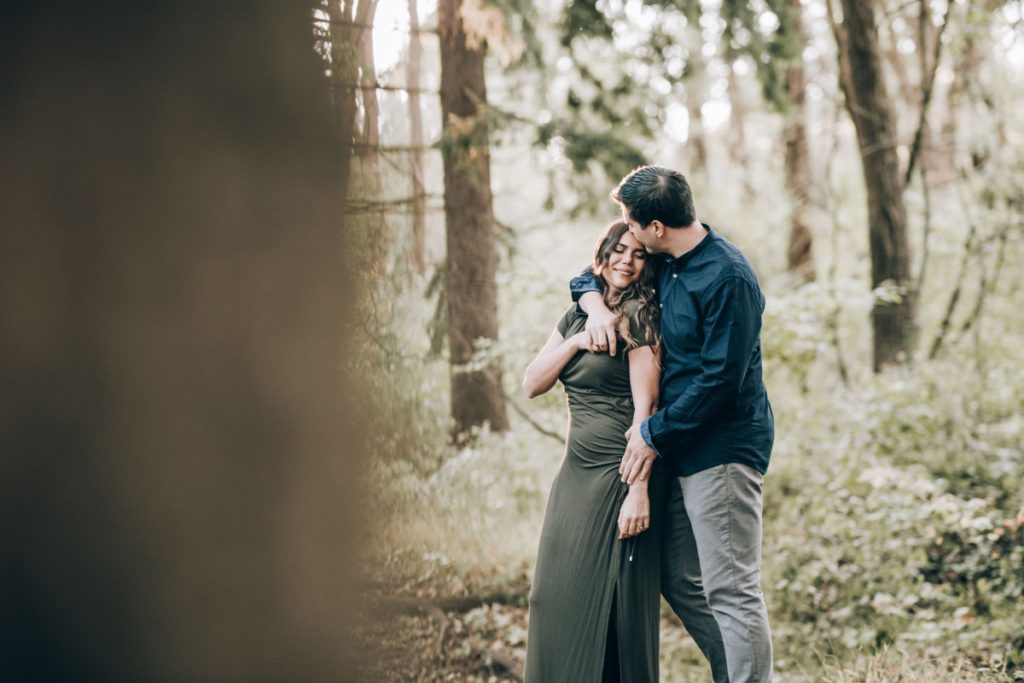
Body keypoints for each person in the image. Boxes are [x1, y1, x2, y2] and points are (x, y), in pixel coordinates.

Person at [571, 166, 775, 683]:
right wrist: (593, 308)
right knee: (681, 580)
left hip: (722, 449)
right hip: (679, 448)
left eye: (632, 224)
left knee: (732, 588)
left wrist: (649, 433)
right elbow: (587, 275)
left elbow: (721, 381)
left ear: (657, 227)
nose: (629, 234)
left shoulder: (727, 276)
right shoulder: (666, 263)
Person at [523, 221, 664, 683]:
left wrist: (638, 489)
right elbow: (532, 382)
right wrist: (579, 340)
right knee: (551, 597)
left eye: (637, 254)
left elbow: (647, 409)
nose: (626, 260)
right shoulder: (577, 316)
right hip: (575, 477)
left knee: (613, 613)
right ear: (601, 256)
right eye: (618, 250)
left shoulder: (642, 316)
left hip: (617, 475)